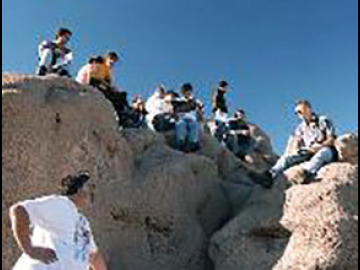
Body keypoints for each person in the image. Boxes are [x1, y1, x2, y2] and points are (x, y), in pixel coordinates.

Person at [10, 172, 108, 270]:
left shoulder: (82, 222)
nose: (93, 191)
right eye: (91, 186)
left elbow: (94, 256)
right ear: (79, 188)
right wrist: (29, 249)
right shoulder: (60, 204)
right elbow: (19, 210)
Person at [254, 100, 338, 186]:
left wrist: (319, 146)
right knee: (286, 158)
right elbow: (297, 140)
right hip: (309, 151)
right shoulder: (301, 127)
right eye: (296, 113)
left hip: (326, 149)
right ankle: (269, 176)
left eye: (300, 111)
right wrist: (297, 151)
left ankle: (307, 174)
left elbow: (331, 139)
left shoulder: (323, 120)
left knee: (321, 154)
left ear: (308, 109)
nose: (298, 114)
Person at [173, 83, 201, 152]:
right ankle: (180, 143)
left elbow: (199, 106)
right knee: (181, 125)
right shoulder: (178, 100)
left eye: (189, 92)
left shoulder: (193, 101)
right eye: (186, 91)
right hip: (181, 117)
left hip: (191, 118)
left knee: (194, 126)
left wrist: (193, 101)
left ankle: (192, 143)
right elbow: (173, 106)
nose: (188, 93)